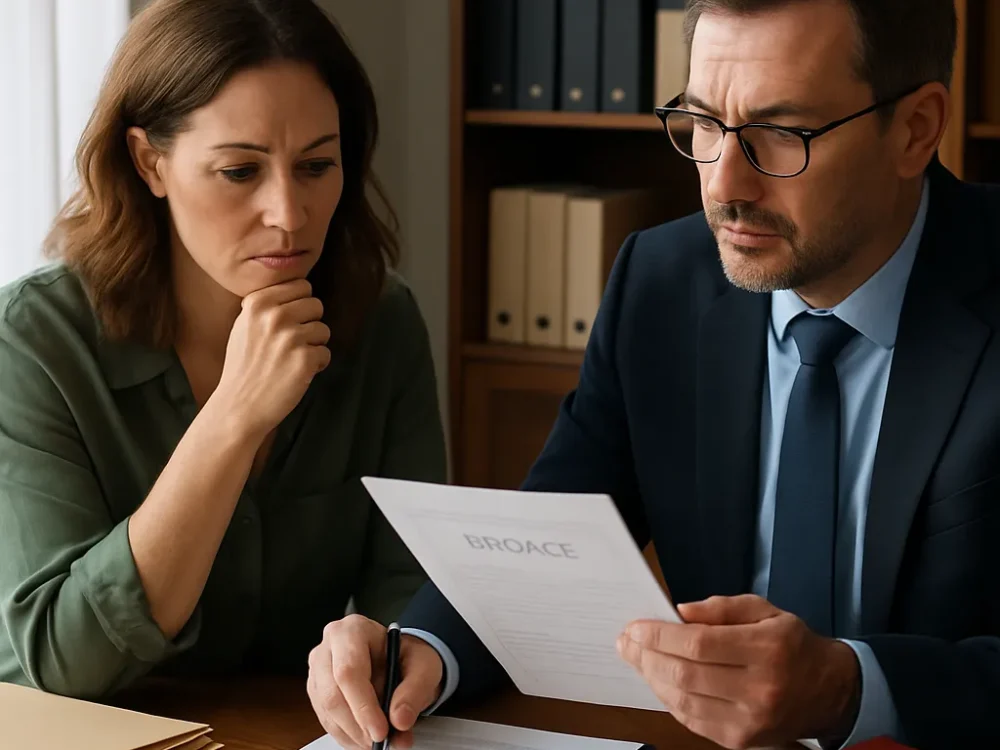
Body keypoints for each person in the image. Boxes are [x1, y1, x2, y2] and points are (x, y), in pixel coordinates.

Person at [307, 0, 1000, 748]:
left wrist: (849, 688)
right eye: (703, 123)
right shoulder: (660, 283)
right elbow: (550, 538)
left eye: (780, 133)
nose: (724, 185)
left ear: (916, 129)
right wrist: (422, 651)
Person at [0, 0, 446, 703]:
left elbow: (414, 585)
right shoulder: (34, 341)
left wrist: (393, 647)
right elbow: (63, 662)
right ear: (149, 162)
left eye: (317, 165)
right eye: (240, 171)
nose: (289, 215)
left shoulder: (382, 322)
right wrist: (232, 419)